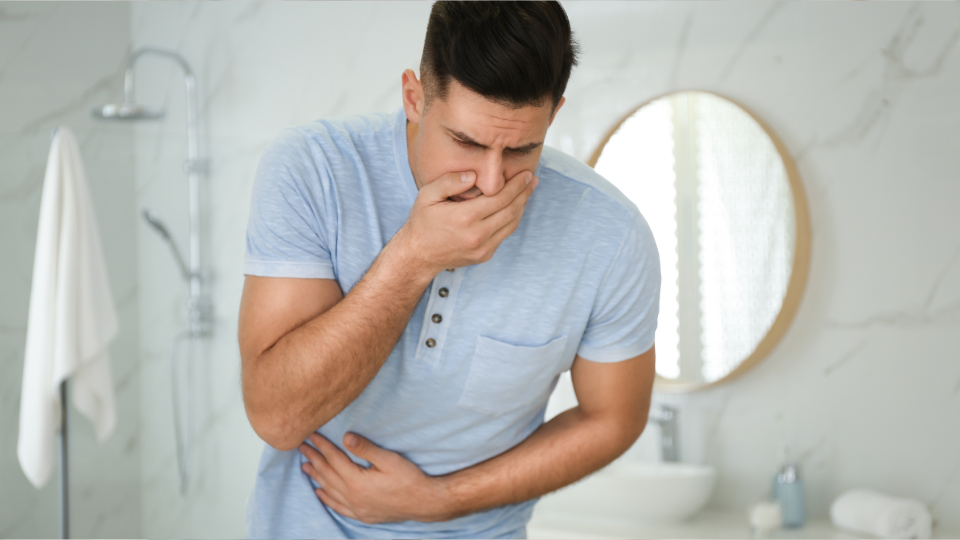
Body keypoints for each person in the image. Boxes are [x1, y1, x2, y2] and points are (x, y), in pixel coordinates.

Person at [239, 2, 661, 538]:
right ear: (415, 98)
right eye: (467, 142)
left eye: (522, 149)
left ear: (553, 115)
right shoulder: (312, 170)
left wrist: (440, 500)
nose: (489, 181)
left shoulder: (612, 234)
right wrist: (414, 256)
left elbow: (613, 419)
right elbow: (276, 417)